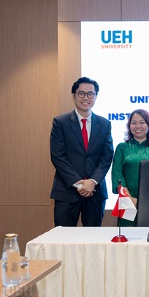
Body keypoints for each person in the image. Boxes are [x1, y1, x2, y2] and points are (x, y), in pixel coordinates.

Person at [50, 77, 114, 227]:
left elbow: (107, 156)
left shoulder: (105, 124)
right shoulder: (60, 122)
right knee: (63, 240)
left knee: (93, 241)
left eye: (90, 94)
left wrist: (92, 182)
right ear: (74, 95)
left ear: (96, 96)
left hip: (95, 192)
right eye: (81, 93)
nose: (86, 98)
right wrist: (79, 185)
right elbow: (57, 156)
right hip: (67, 192)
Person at [111, 109, 149, 226]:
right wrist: (130, 199)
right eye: (134, 122)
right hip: (127, 201)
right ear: (129, 126)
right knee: (127, 236)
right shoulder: (122, 147)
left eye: (142, 122)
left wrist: (144, 200)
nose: (138, 126)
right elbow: (117, 174)